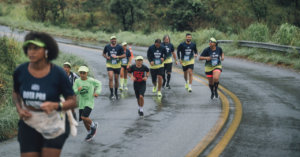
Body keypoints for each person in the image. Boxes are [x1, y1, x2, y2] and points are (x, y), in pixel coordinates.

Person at [12, 32, 77, 157]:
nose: (32, 52)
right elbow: (15, 92)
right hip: (29, 120)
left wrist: (55, 105)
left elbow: (72, 101)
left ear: (47, 50)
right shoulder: (21, 71)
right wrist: (19, 109)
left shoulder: (58, 73)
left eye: (36, 48)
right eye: (29, 48)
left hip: (53, 121)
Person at [73, 65, 102, 141]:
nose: (82, 74)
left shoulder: (91, 80)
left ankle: (93, 125)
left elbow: (99, 84)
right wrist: (77, 90)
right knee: (84, 120)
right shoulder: (77, 81)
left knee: (83, 117)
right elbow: (73, 91)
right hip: (82, 103)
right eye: (81, 73)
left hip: (89, 102)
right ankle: (90, 133)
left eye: (84, 73)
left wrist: (97, 92)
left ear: (87, 73)